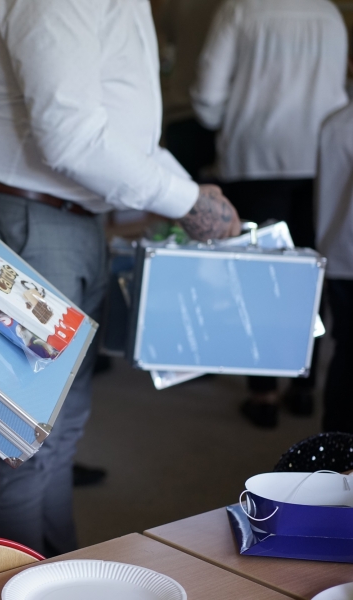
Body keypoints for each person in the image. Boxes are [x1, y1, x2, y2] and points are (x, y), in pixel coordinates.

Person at [0, 0, 241, 558]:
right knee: (25, 443)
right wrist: (186, 201)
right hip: (29, 215)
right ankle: (19, 584)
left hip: (65, 215)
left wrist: (192, 194)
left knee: (60, 434)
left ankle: (58, 572)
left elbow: (122, 129)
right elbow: (71, 136)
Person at [192, 0, 347, 429]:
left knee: (259, 276)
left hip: (255, 155)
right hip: (319, 159)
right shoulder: (330, 13)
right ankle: (303, 385)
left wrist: (232, 117)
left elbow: (206, 97)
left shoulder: (240, 10)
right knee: (309, 273)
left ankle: (263, 394)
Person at [316, 98, 353, 435]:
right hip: (344, 255)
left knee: (346, 347)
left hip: (339, 252)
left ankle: (334, 445)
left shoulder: (335, 124)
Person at [157, 0, 223, 180]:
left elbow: (166, 34)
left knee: (182, 188)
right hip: (222, 118)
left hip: (181, 107)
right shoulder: (241, 6)